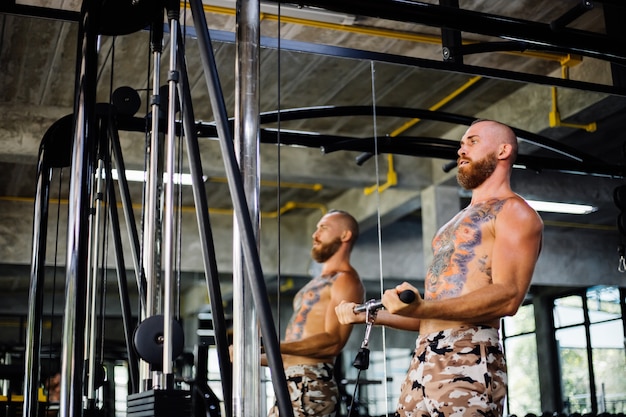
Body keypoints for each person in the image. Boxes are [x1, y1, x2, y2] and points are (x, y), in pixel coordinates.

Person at [335, 119, 544, 417]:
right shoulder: (451, 226)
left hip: (468, 355)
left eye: (472, 141)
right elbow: (432, 313)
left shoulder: (514, 212)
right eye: (461, 144)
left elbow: (508, 298)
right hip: (424, 357)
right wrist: (370, 315)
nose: (461, 149)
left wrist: (421, 309)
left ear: (503, 150)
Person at [266, 209, 365, 417]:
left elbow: (333, 341)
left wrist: (274, 347)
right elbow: (291, 352)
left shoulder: (346, 280)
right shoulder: (315, 283)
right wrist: (249, 353)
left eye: (324, 228)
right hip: (290, 379)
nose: (315, 234)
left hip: (310, 381)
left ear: (344, 235)